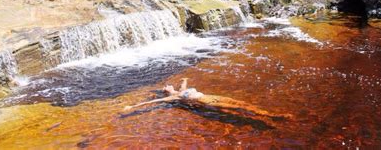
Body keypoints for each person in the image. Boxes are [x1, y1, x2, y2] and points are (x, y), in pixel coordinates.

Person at [123, 78, 293, 122]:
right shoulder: (173, 97)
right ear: (166, 93)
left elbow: (185, 81)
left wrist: (184, 78)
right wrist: (132, 106)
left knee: (242, 103)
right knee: (241, 110)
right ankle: (272, 116)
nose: (166, 86)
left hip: (211, 97)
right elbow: (151, 104)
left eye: (167, 85)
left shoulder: (180, 90)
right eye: (164, 88)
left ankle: (268, 113)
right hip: (207, 102)